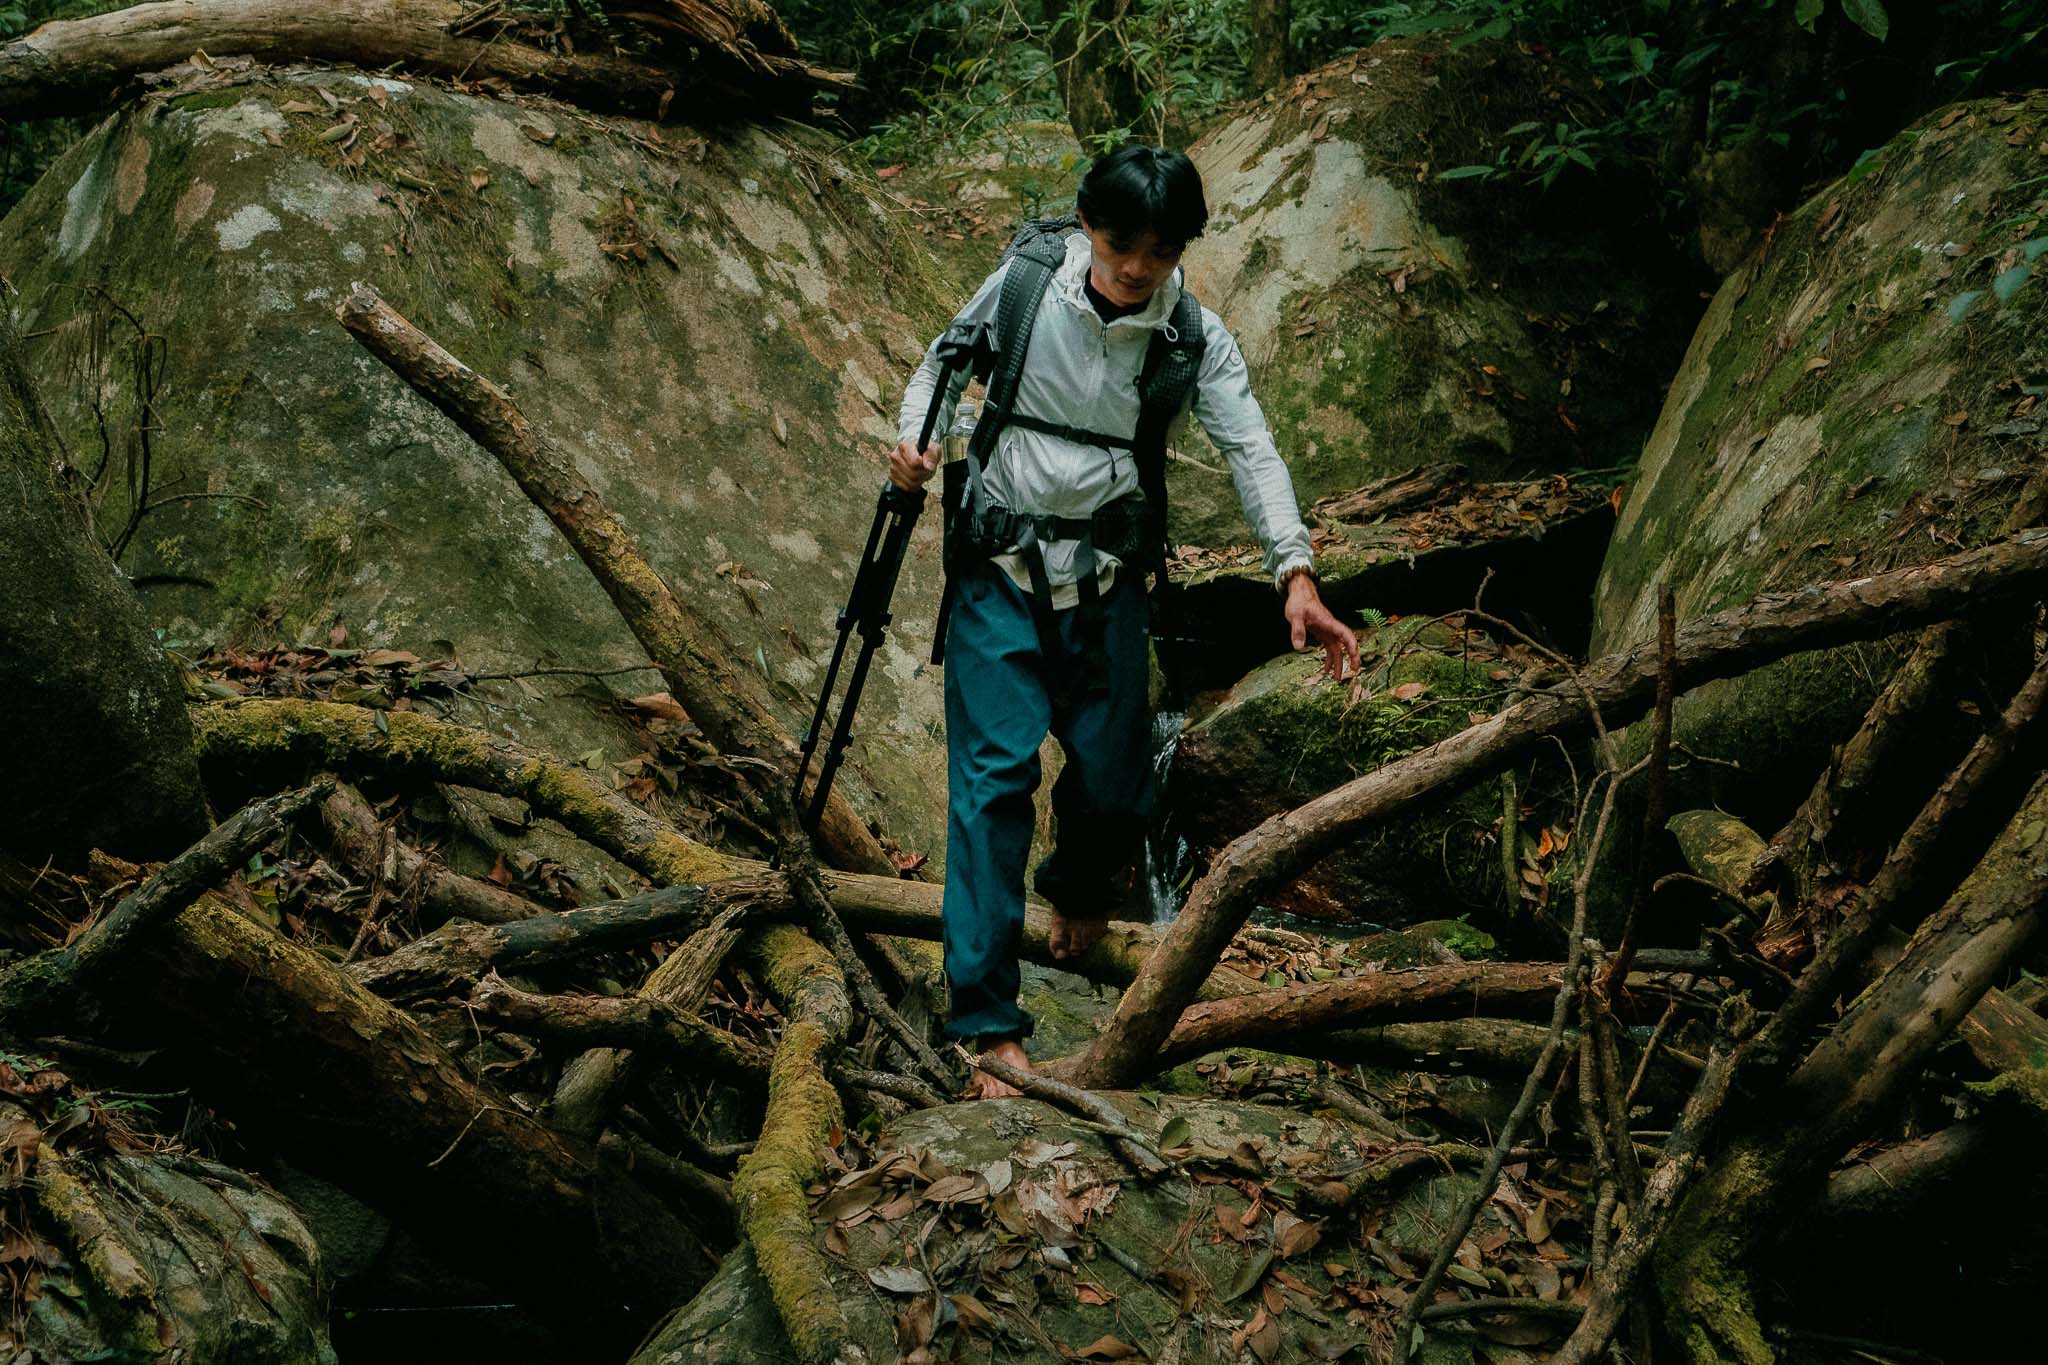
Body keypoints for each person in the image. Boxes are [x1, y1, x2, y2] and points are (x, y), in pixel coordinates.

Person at [889, 145, 1359, 1100]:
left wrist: (1295, 571)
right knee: (994, 776)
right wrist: (913, 438)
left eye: (1161, 247)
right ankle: (988, 1026)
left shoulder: (1190, 333)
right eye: (1119, 241)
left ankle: (1082, 884)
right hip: (999, 574)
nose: (1138, 265)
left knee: (1113, 778)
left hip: (1109, 581)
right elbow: (944, 361)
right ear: (1086, 224)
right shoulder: (1024, 288)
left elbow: (1250, 444)